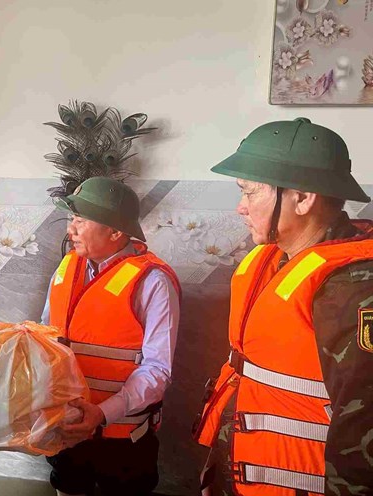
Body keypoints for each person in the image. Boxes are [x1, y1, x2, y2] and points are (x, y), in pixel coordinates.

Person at [194, 117, 373, 495]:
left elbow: (364, 433)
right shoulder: (272, 258)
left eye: (250, 193)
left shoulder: (353, 289)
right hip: (243, 471)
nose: (241, 208)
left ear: (303, 198)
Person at [41, 176, 181, 496]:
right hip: (69, 431)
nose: (70, 230)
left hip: (123, 444)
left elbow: (158, 370)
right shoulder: (66, 269)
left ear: (115, 232)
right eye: (71, 219)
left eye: (80, 221)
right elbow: (44, 337)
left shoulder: (153, 282)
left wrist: (103, 413)